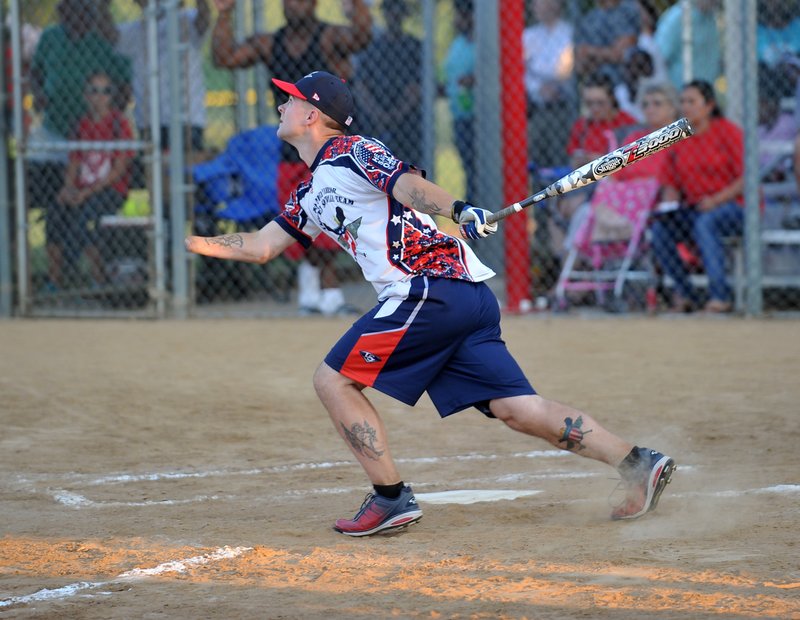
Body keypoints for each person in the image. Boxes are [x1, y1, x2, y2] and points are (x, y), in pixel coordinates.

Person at [184, 70, 676, 536]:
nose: (280, 105)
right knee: (519, 409)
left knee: (332, 380)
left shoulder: (351, 151)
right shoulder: (310, 190)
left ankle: (391, 497)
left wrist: (459, 209)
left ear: (312, 114)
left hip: (427, 289)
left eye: (289, 99)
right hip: (460, 297)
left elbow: (408, 185)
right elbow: (262, 245)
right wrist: (196, 243)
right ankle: (638, 463)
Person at [211, 0, 372, 316]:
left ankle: (325, 290)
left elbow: (362, 39)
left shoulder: (328, 38)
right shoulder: (270, 43)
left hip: (330, 148)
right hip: (292, 150)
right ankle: (316, 292)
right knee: (299, 219)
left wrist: (358, 5)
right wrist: (225, 13)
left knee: (332, 217)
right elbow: (224, 57)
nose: (293, 4)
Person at [29, 0, 131, 226]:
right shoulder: (51, 37)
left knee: (83, 199)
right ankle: (49, 223)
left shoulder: (102, 41)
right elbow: (35, 72)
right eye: (68, 8)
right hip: (54, 128)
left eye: (83, 9)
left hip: (91, 136)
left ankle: (75, 229)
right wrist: (38, 93)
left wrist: (107, 118)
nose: (75, 15)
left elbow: (123, 86)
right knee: (34, 179)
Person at [651, 80, 745, 313]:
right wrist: (668, 209)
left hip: (736, 206)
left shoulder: (727, 131)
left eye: (692, 102)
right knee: (661, 230)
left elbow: (747, 179)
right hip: (696, 208)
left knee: (707, 223)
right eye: (683, 101)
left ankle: (720, 296)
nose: (686, 107)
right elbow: (670, 184)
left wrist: (715, 201)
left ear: (709, 106)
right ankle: (686, 294)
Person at [47, 72, 133, 289]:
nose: (99, 96)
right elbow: (74, 163)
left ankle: (97, 280)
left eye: (106, 91)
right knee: (55, 214)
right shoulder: (80, 125)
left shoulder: (118, 124)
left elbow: (118, 170)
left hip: (110, 190)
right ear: (85, 96)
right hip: (82, 190)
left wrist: (86, 193)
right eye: (94, 91)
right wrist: (68, 188)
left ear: (112, 96)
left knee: (87, 219)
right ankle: (55, 281)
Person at [116, 0, 210, 152]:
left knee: (187, 169)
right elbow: (108, 32)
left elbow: (203, 21)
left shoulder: (187, 20)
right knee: (153, 169)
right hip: (149, 120)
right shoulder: (134, 31)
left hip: (187, 119)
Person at [352, 0, 422, 165]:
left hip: (408, 125)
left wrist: (396, 115)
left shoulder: (414, 47)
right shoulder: (371, 47)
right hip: (375, 123)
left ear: (405, 15)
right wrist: (379, 115)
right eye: (390, 11)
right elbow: (361, 86)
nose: (394, 16)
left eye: (398, 11)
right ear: (384, 14)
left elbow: (417, 87)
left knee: (409, 171)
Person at [522, 0, 575, 168]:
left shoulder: (568, 32)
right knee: (536, 156)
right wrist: (538, 87)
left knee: (560, 155)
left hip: (562, 105)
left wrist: (542, 75)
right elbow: (520, 71)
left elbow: (563, 70)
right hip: (536, 107)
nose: (536, 6)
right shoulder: (528, 36)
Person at [442, 0, 477, 202]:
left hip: (477, 117)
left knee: (477, 168)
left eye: (462, 15)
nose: (457, 19)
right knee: (467, 168)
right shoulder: (458, 44)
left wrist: (475, 79)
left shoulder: (482, 44)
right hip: (460, 115)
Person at [655, 0, 721, 90]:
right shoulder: (676, 18)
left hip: (706, 91)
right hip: (681, 93)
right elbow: (660, 58)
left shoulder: (710, 19)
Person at [573, 0, 640, 86]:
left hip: (623, 82)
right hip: (595, 81)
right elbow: (580, 64)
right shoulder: (589, 19)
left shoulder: (628, 9)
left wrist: (591, 52)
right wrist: (607, 53)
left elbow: (620, 54)